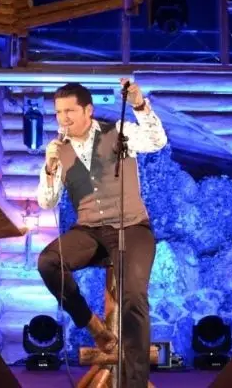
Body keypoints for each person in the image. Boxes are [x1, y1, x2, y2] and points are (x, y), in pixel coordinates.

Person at [36, 80, 167, 386]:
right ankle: (92, 325)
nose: (63, 118)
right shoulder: (58, 150)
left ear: (88, 110)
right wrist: (49, 167)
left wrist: (139, 105)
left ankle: (134, 383)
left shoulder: (117, 132)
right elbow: (47, 201)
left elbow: (156, 141)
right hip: (89, 230)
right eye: (58, 112)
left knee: (133, 298)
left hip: (131, 227)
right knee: (48, 262)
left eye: (70, 111)